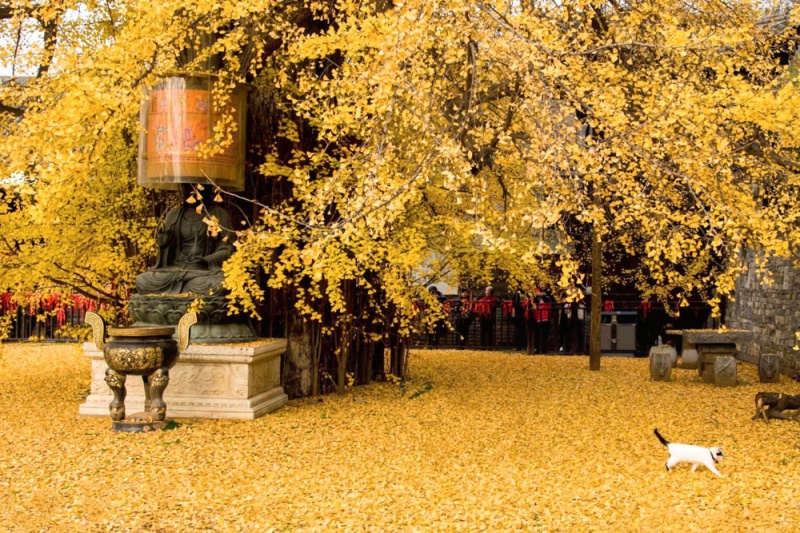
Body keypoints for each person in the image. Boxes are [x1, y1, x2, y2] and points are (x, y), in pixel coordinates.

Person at [135, 185, 233, 296]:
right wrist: (164, 242)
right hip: (175, 271)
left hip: (204, 273)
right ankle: (184, 290)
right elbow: (165, 250)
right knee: (143, 280)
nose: (193, 192)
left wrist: (206, 260)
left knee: (219, 284)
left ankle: (185, 291)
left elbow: (228, 249)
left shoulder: (219, 214)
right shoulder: (174, 214)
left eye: (198, 188)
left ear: (208, 189)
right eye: (187, 188)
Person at [533, 288, 553, 354]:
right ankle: (538, 348)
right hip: (539, 318)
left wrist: (541, 295)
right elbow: (535, 300)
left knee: (544, 335)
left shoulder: (547, 298)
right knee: (538, 335)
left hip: (545, 319)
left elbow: (546, 300)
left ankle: (544, 349)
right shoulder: (539, 299)